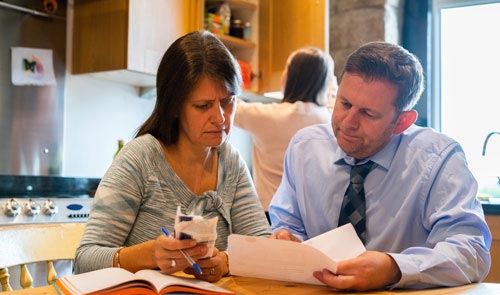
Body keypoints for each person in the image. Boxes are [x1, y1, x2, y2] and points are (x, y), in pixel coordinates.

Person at [268, 41, 491, 290]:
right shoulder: (304, 147)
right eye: (344, 104)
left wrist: (394, 268)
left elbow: (471, 253)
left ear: (402, 122)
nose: (348, 122)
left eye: (368, 114)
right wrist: (287, 238)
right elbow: (287, 224)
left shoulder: (439, 159)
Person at [74, 31, 271, 282]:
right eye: (203, 106)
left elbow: (261, 245)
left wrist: (227, 261)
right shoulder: (141, 158)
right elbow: (83, 261)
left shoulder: (230, 162)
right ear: (175, 106)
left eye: (228, 102)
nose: (220, 117)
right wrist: (147, 255)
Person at [234, 47, 337, 218]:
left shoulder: (266, 116)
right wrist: (328, 75)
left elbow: (229, 106)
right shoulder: (329, 119)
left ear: (290, 77)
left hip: (270, 211)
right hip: (311, 214)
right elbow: (333, 95)